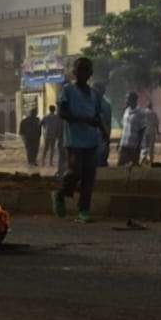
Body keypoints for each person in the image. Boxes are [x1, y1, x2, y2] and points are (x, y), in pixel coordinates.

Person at [52, 57, 107, 223]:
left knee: (89, 176)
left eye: (86, 69)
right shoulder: (67, 90)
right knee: (75, 171)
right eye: (79, 69)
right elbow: (62, 114)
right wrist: (85, 119)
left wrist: (104, 131)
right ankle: (61, 194)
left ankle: (83, 210)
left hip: (91, 140)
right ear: (74, 72)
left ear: (90, 73)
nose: (83, 72)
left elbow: (97, 115)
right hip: (74, 140)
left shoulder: (95, 94)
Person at [118, 92, 147, 166]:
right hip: (124, 144)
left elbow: (142, 129)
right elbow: (124, 128)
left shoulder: (141, 112)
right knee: (121, 165)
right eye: (126, 99)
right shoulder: (126, 111)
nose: (126, 101)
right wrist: (119, 141)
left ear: (134, 100)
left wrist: (138, 145)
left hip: (134, 145)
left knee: (134, 166)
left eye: (128, 99)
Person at [94, 83, 112, 167]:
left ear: (102, 92)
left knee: (101, 162)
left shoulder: (106, 106)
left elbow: (108, 123)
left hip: (101, 138)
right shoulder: (89, 103)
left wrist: (107, 137)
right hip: (89, 139)